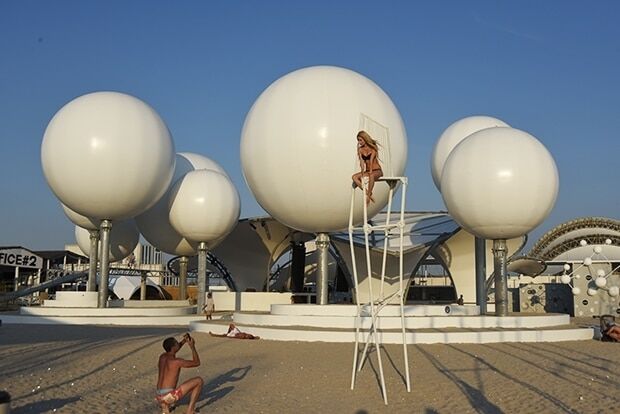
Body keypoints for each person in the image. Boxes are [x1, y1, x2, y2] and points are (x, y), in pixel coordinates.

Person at [156, 333, 203, 414]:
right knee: (199, 381)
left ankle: (165, 407)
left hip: (159, 396)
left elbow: (173, 350)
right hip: (169, 396)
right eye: (177, 343)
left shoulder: (162, 357)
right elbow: (197, 362)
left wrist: (184, 341)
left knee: (167, 391)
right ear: (173, 347)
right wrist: (192, 346)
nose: (178, 343)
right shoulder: (176, 361)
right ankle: (190, 411)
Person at [352, 130, 383, 204]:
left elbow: (371, 161)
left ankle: (368, 196)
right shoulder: (360, 150)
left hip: (376, 170)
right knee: (354, 177)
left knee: (371, 175)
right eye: (358, 140)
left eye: (360, 140)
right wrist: (362, 171)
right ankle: (367, 193)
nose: (359, 142)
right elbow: (362, 162)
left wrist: (371, 171)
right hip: (368, 171)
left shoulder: (372, 148)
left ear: (365, 139)